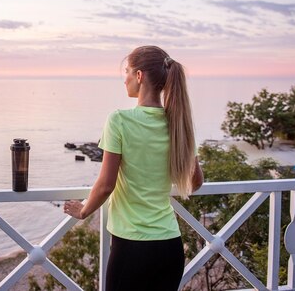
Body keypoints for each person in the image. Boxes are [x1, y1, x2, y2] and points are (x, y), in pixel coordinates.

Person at [64, 45, 204, 291]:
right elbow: (196, 182)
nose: (125, 78)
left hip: (132, 246)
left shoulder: (119, 120)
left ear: (139, 76)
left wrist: (83, 211)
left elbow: (106, 184)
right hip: (170, 246)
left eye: (127, 71)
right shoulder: (178, 123)